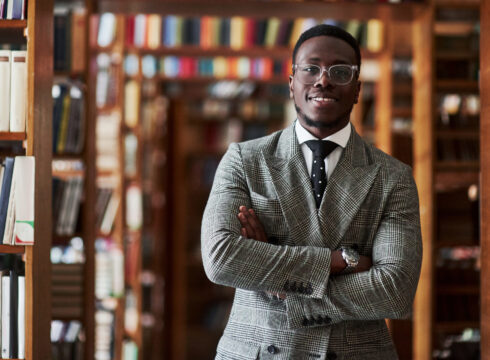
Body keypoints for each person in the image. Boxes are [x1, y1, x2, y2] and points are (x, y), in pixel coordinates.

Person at [201, 24, 422, 360]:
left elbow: (395, 289)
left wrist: (277, 280)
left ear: (358, 88)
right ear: (292, 83)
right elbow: (221, 258)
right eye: (311, 68)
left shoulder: (393, 177)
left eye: (340, 71)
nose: (323, 79)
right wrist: (341, 262)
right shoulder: (244, 160)